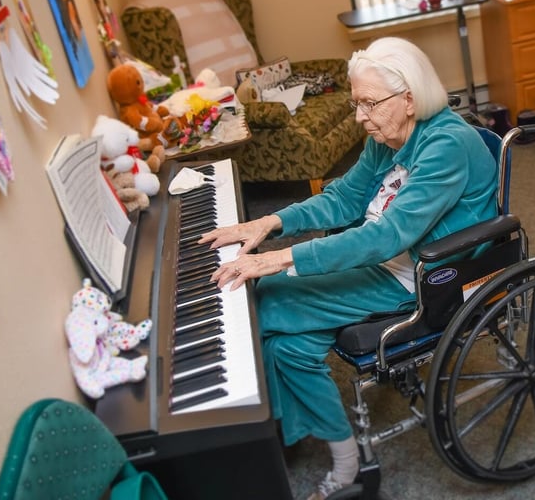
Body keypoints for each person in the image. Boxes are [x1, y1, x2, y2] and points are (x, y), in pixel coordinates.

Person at [199, 36, 499, 499]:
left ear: (409, 99)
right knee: (287, 346)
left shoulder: (447, 145)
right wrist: (269, 223)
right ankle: (339, 457)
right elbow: (344, 198)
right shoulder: (390, 133)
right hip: (380, 258)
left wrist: (281, 258)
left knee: (268, 302)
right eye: (357, 102)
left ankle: (270, 444)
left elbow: (387, 237)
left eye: (369, 103)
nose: (360, 116)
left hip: (420, 276)